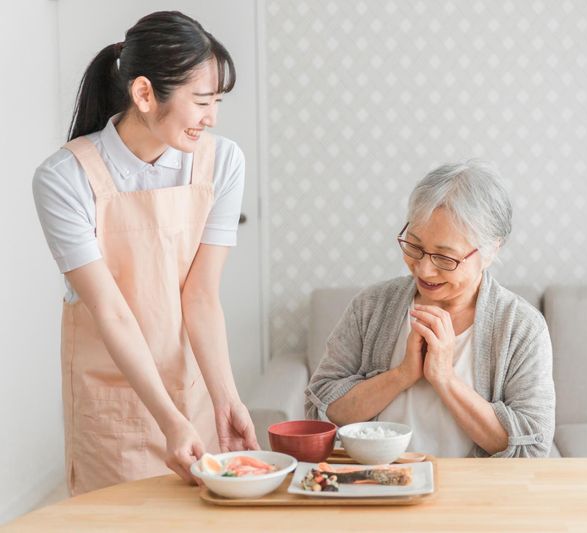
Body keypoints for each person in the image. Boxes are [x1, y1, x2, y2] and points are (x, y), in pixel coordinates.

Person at [32, 11, 258, 495]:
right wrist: (168, 421)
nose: (211, 117)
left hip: (191, 393)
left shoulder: (223, 162)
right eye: (201, 101)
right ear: (143, 94)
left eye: (216, 101)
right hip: (111, 410)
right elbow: (112, 312)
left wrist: (226, 400)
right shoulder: (65, 178)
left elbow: (201, 296)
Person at [305, 160, 555, 457]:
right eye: (415, 246)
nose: (424, 269)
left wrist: (445, 379)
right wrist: (401, 375)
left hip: (476, 497)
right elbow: (320, 410)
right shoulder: (370, 307)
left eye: (444, 258)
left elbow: (532, 445)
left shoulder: (522, 327)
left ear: (491, 251)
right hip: (375, 486)